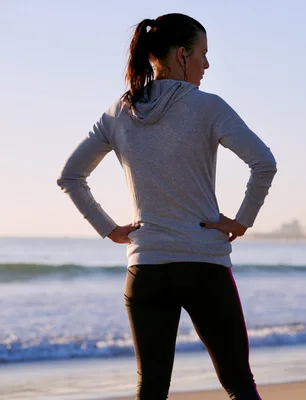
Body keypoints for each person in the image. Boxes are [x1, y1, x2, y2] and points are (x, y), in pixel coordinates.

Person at [57, 13, 276, 400]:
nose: (207, 65)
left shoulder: (119, 112)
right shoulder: (208, 107)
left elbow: (71, 176)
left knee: (152, 389)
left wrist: (110, 229)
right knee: (239, 384)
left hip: (146, 270)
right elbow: (264, 163)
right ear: (180, 55)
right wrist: (242, 221)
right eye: (202, 54)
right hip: (204, 266)